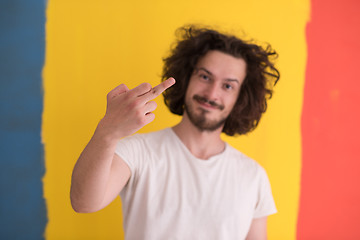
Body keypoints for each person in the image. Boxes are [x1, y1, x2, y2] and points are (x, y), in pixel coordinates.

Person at [70, 25, 280, 240]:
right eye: (205, 77)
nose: (212, 93)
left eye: (228, 86)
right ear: (187, 77)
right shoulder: (138, 151)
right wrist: (108, 132)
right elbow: (84, 202)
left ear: (241, 97)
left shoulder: (253, 176)